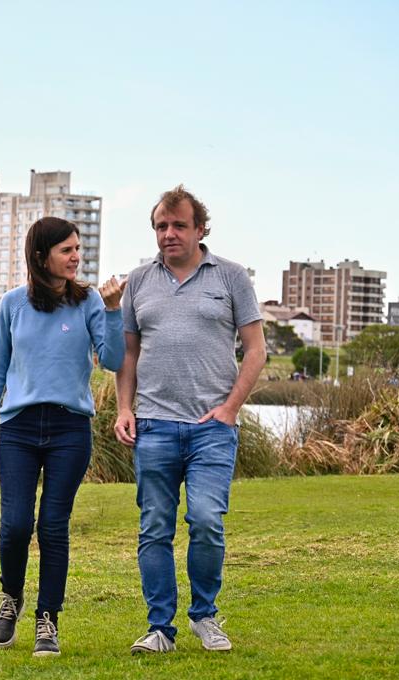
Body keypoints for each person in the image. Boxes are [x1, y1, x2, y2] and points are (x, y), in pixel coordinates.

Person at [114, 185, 266, 654]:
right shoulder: (139, 281)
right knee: (154, 527)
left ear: (200, 229)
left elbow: (256, 350)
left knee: (205, 521)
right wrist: (124, 408)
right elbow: (128, 354)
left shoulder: (232, 277)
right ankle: (161, 628)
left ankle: (205, 615)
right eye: (161, 226)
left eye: (179, 225)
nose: (169, 234)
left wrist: (230, 409)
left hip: (211, 430)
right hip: (154, 425)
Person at [0, 216, 125, 657]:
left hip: (70, 430)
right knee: (16, 524)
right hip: (18, 429)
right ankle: (10, 600)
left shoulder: (91, 302)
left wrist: (113, 311)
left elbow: (112, 360)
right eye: (67, 250)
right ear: (42, 256)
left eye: (79, 249)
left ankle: (47, 620)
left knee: (53, 527)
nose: (77, 257)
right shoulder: (13, 304)